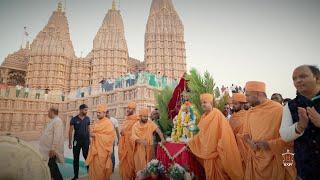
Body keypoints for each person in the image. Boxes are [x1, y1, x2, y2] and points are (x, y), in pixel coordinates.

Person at [243, 81, 296, 180]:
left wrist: (269, 144)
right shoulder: (250, 112)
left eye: (248, 95)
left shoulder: (279, 110)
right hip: (255, 161)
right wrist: (250, 143)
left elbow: (289, 139)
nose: (246, 99)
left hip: (274, 161)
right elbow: (245, 134)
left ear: (258, 94)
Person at [187, 93, 243, 180]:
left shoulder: (217, 115)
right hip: (207, 153)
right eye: (202, 103)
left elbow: (225, 134)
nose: (203, 105)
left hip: (217, 155)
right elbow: (201, 135)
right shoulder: (203, 117)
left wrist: (220, 148)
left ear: (211, 103)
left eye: (205, 102)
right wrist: (191, 142)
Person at [279, 65, 320, 179]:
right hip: (306, 170)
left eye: (303, 76)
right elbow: (284, 135)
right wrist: (300, 126)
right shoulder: (291, 105)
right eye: (294, 78)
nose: (298, 81)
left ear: (317, 78)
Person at [86, 104, 115, 180]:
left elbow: (110, 137)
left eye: (100, 112)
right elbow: (92, 132)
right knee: (94, 169)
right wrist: (92, 134)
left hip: (103, 152)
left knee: (101, 171)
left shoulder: (108, 123)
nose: (98, 114)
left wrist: (96, 135)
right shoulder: (96, 122)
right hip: (95, 150)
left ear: (104, 113)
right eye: (97, 112)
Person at [132, 108, 166, 174]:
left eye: (147, 117)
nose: (146, 118)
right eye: (144, 117)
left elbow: (157, 129)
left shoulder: (150, 123)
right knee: (141, 167)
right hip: (140, 149)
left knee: (150, 166)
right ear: (140, 116)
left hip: (149, 148)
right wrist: (141, 141)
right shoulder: (135, 126)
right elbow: (133, 136)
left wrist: (163, 139)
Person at [39, 107, 64, 180]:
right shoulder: (53, 121)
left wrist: (53, 149)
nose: (48, 113)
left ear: (52, 112)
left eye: (48, 112)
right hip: (48, 150)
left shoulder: (57, 121)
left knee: (53, 168)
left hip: (51, 151)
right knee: (51, 168)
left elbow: (57, 136)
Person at [69, 104, 91, 180]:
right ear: (81, 110)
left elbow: (88, 129)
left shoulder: (88, 119)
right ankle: (76, 176)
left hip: (86, 141)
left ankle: (90, 173)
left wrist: (90, 139)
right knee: (76, 158)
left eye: (87, 110)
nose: (86, 111)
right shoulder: (74, 119)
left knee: (87, 157)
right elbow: (70, 131)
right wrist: (69, 142)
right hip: (76, 142)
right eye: (85, 110)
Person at [118, 101, 139, 180]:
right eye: (128, 108)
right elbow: (124, 130)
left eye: (130, 108)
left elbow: (137, 133)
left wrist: (125, 133)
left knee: (132, 164)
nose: (128, 109)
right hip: (124, 146)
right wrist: (122, 132)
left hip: (132, 147)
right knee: (125, 165)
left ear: (134, 109)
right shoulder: (126, 119)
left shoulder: (137, 119)